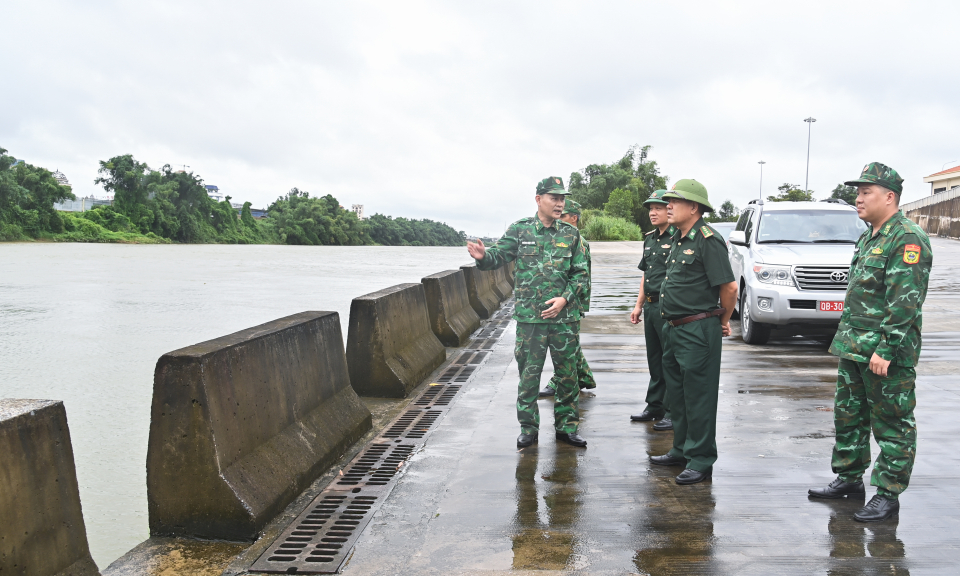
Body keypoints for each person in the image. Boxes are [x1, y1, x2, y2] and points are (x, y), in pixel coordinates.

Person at [808, 162, 932, 522]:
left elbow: (906, 301)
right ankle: (849, 478)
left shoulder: (907, 237)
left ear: (889, 197)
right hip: (854, 346)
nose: (857, 199)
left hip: (884, 351)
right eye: (857, 192)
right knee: (850, 415)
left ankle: (888, 494)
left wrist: (887, 348)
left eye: (866, 192)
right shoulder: (869, 236)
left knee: (892, 420)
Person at [467, 176, 590, 449]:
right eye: (554, 198)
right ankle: (528, 428)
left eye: (562, 199)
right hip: (529, 319)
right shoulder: (521, 230)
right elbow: (498, 256)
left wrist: (565, 299)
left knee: (568, 376)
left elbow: (580, 274)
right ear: (538, 200)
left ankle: (567, 428)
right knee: (529, 377)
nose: (560, 204)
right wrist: (483, 257)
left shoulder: (571, 234)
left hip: (563, 319)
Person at [647, 179, 738, 485]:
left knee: (699, 397)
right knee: (679, 397)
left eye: (675, 201)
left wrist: (723, 319)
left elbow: (729, 287)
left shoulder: (707, 240)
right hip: (673, 328)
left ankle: (700, 459)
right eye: (667, 201)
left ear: (694, 207)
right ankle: (681, 449)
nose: (668, 205)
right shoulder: (678, 238)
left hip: (698, 329)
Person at [629, 190, 676, 431]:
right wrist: (638, 305)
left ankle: (671, 410)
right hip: (650, 305)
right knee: (655, 358)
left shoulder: (678, 237)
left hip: (668, 306)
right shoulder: (649, 239)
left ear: (670, 209)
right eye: (650, 209)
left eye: (658, 208)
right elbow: (646, 274)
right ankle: (655, 405)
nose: (653, 213)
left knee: (670, 360)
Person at [540, 199, 596, 397]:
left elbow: (581, 276)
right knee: (571, 345)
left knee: (565, 347)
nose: (559, 218)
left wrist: (576, 302)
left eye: (563, 215)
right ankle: (585, 377)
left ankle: (560, 381)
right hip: (565, 301)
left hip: (571, 301)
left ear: (574, 218)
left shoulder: (578, 240)